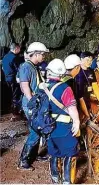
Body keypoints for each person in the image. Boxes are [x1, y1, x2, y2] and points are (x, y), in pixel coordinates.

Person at [41, 59, 80, 184]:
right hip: (63, 127)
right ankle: (67, 181)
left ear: (48, 72)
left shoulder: (41, 87)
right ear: (61, 74)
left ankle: (55, 178)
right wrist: (77, 122)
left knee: (53, 152)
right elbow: (72, 108)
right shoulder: (65, 88)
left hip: (47, 127)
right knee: (70, 151)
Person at [18, 42, 49, 170]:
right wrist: (32, 103)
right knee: (35, 131)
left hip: (36, 102)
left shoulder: (34, 66)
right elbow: (25, 86)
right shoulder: (26, 66)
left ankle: (33, 155)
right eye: (42, 54)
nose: (44, 57)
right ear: (36, 54)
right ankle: (23, 160)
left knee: (38, 129)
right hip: (31, 103)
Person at [1, 42, 22, 119]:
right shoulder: (14, 57)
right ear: (16, 49)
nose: (20, 50)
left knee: (10, 95)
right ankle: (15, 113)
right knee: (16, 96)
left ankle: (11, 111)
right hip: (14, 79)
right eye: (19, 48)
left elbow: (3, 68)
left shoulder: (5, 57)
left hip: (6, 79)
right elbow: (18, 69)